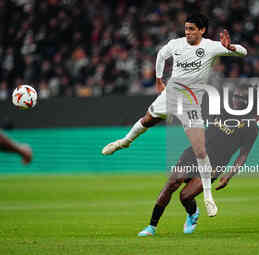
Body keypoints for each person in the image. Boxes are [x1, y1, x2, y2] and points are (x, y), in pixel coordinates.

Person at [102, 14, 247, 217]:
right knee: (147, 121)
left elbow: (243, 52)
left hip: (191, 103)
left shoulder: (212, 46)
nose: (187, 32)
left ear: (202, 30)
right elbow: (161, 54)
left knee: (200, 150)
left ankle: (207, 196)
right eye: (186, 28)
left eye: (192, 29)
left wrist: (230, 48)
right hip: (170, 96)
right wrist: (159, 78)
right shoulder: (176, 44)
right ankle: (125, 142)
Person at [138, 84, 259, 236]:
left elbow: (243, 155)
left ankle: (192, 213)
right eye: (235, 96)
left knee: (185, 196)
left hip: (215, 165)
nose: (236, 100)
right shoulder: (221, 109)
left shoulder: (251, 126)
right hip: (194, 153)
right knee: (171, 184)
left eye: (241, 98)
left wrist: (229, 176)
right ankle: (151, 227)